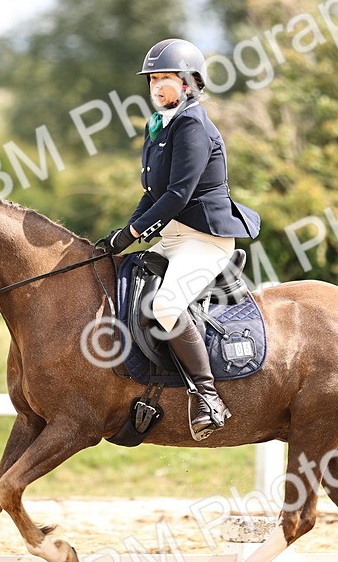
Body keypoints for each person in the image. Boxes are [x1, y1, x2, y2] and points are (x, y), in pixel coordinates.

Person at [100, 38, 261, 441]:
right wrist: (121, 236)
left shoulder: (192, 124)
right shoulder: (159, 126)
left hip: (205, 239)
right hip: (173, 236)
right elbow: (151, 193)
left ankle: (209, 397)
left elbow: (178, 194)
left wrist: (134, 233)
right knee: (123, 287)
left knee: (166, 305)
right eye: (153, 78)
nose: (156, 86)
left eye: (165, 78)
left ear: (188, 83)